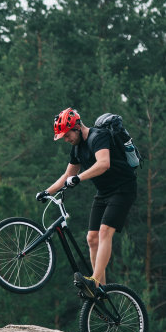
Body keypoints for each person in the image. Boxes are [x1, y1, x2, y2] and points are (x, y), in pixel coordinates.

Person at [37, 108, 137, 298]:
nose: (65, 139)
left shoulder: (97, 137)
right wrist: (46, 192)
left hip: (123, 189)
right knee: (92, 238)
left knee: (105, 231)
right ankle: (101, 289)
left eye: (66, 135)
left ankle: (94, 280)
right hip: (104, 192)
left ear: (76, 127)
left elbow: (103, 163)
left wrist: (79, 178)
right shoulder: (77, 148)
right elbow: (68, 175)